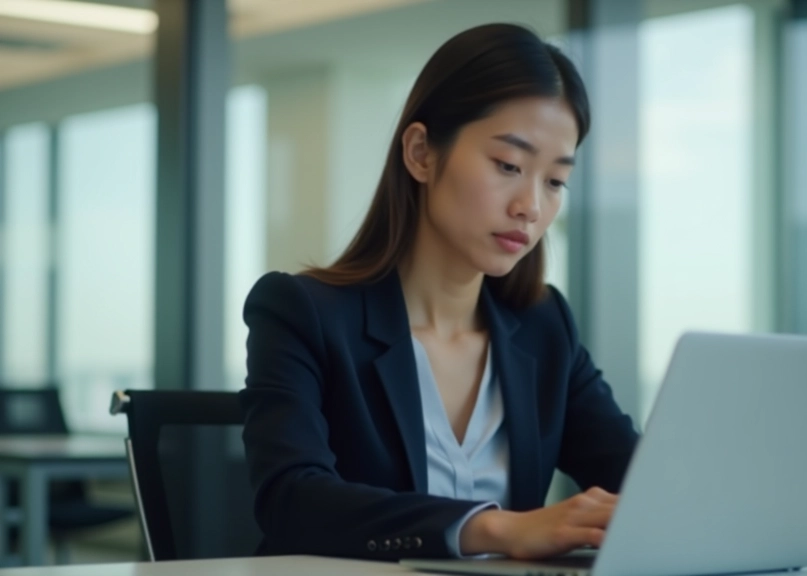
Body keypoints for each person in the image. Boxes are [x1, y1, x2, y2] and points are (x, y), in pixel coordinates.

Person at [240, 22, 638, 562]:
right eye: (508, 165)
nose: (531, 206)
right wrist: (500, 530)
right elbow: (292, 502)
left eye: (555, 181)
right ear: (422, 153)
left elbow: (638, 479)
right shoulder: (301, 313)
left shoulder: (545, 327)